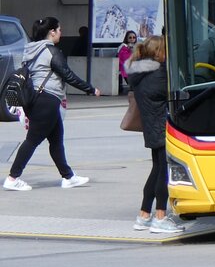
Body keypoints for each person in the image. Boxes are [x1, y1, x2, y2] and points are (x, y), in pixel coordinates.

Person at [3, 17, 101, 191]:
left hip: (38, 99)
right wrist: (90, 89)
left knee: (56, 140)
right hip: (46, 100)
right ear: (52, 32)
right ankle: (13, 177)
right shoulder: (51, 51)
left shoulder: (31, 49)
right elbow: (67, 75)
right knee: (32, 141)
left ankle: (68, 177)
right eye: (59, 30)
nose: (61, 33)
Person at [126, 36, 183, 234]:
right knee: (163, 173)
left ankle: (143, 215)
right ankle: (160, 216)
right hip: (162, 127)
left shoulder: (140, 73)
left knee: (156, 169)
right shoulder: (159, 74)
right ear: (160, 52)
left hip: (151, 128)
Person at [117, 30, 138, 95]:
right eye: (130, 37)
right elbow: (123, 58)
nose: (132, 39)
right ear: (126, 38)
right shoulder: (123, 47)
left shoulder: (136, 46)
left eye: (134, 37)